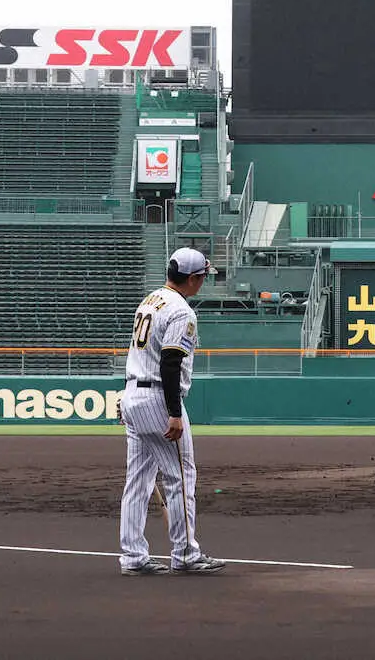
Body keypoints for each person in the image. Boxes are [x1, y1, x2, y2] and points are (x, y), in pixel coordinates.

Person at [119, 247, 226, 576]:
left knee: (137, 482)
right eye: (203, 277)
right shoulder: (182, 311)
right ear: (192, 279)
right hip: (158, 398)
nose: (204, 281)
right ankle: (185, 554)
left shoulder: (151, 299)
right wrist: (174, 412)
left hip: (132, 395)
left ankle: (133, 557)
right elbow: (170, 361)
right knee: (181, 478)